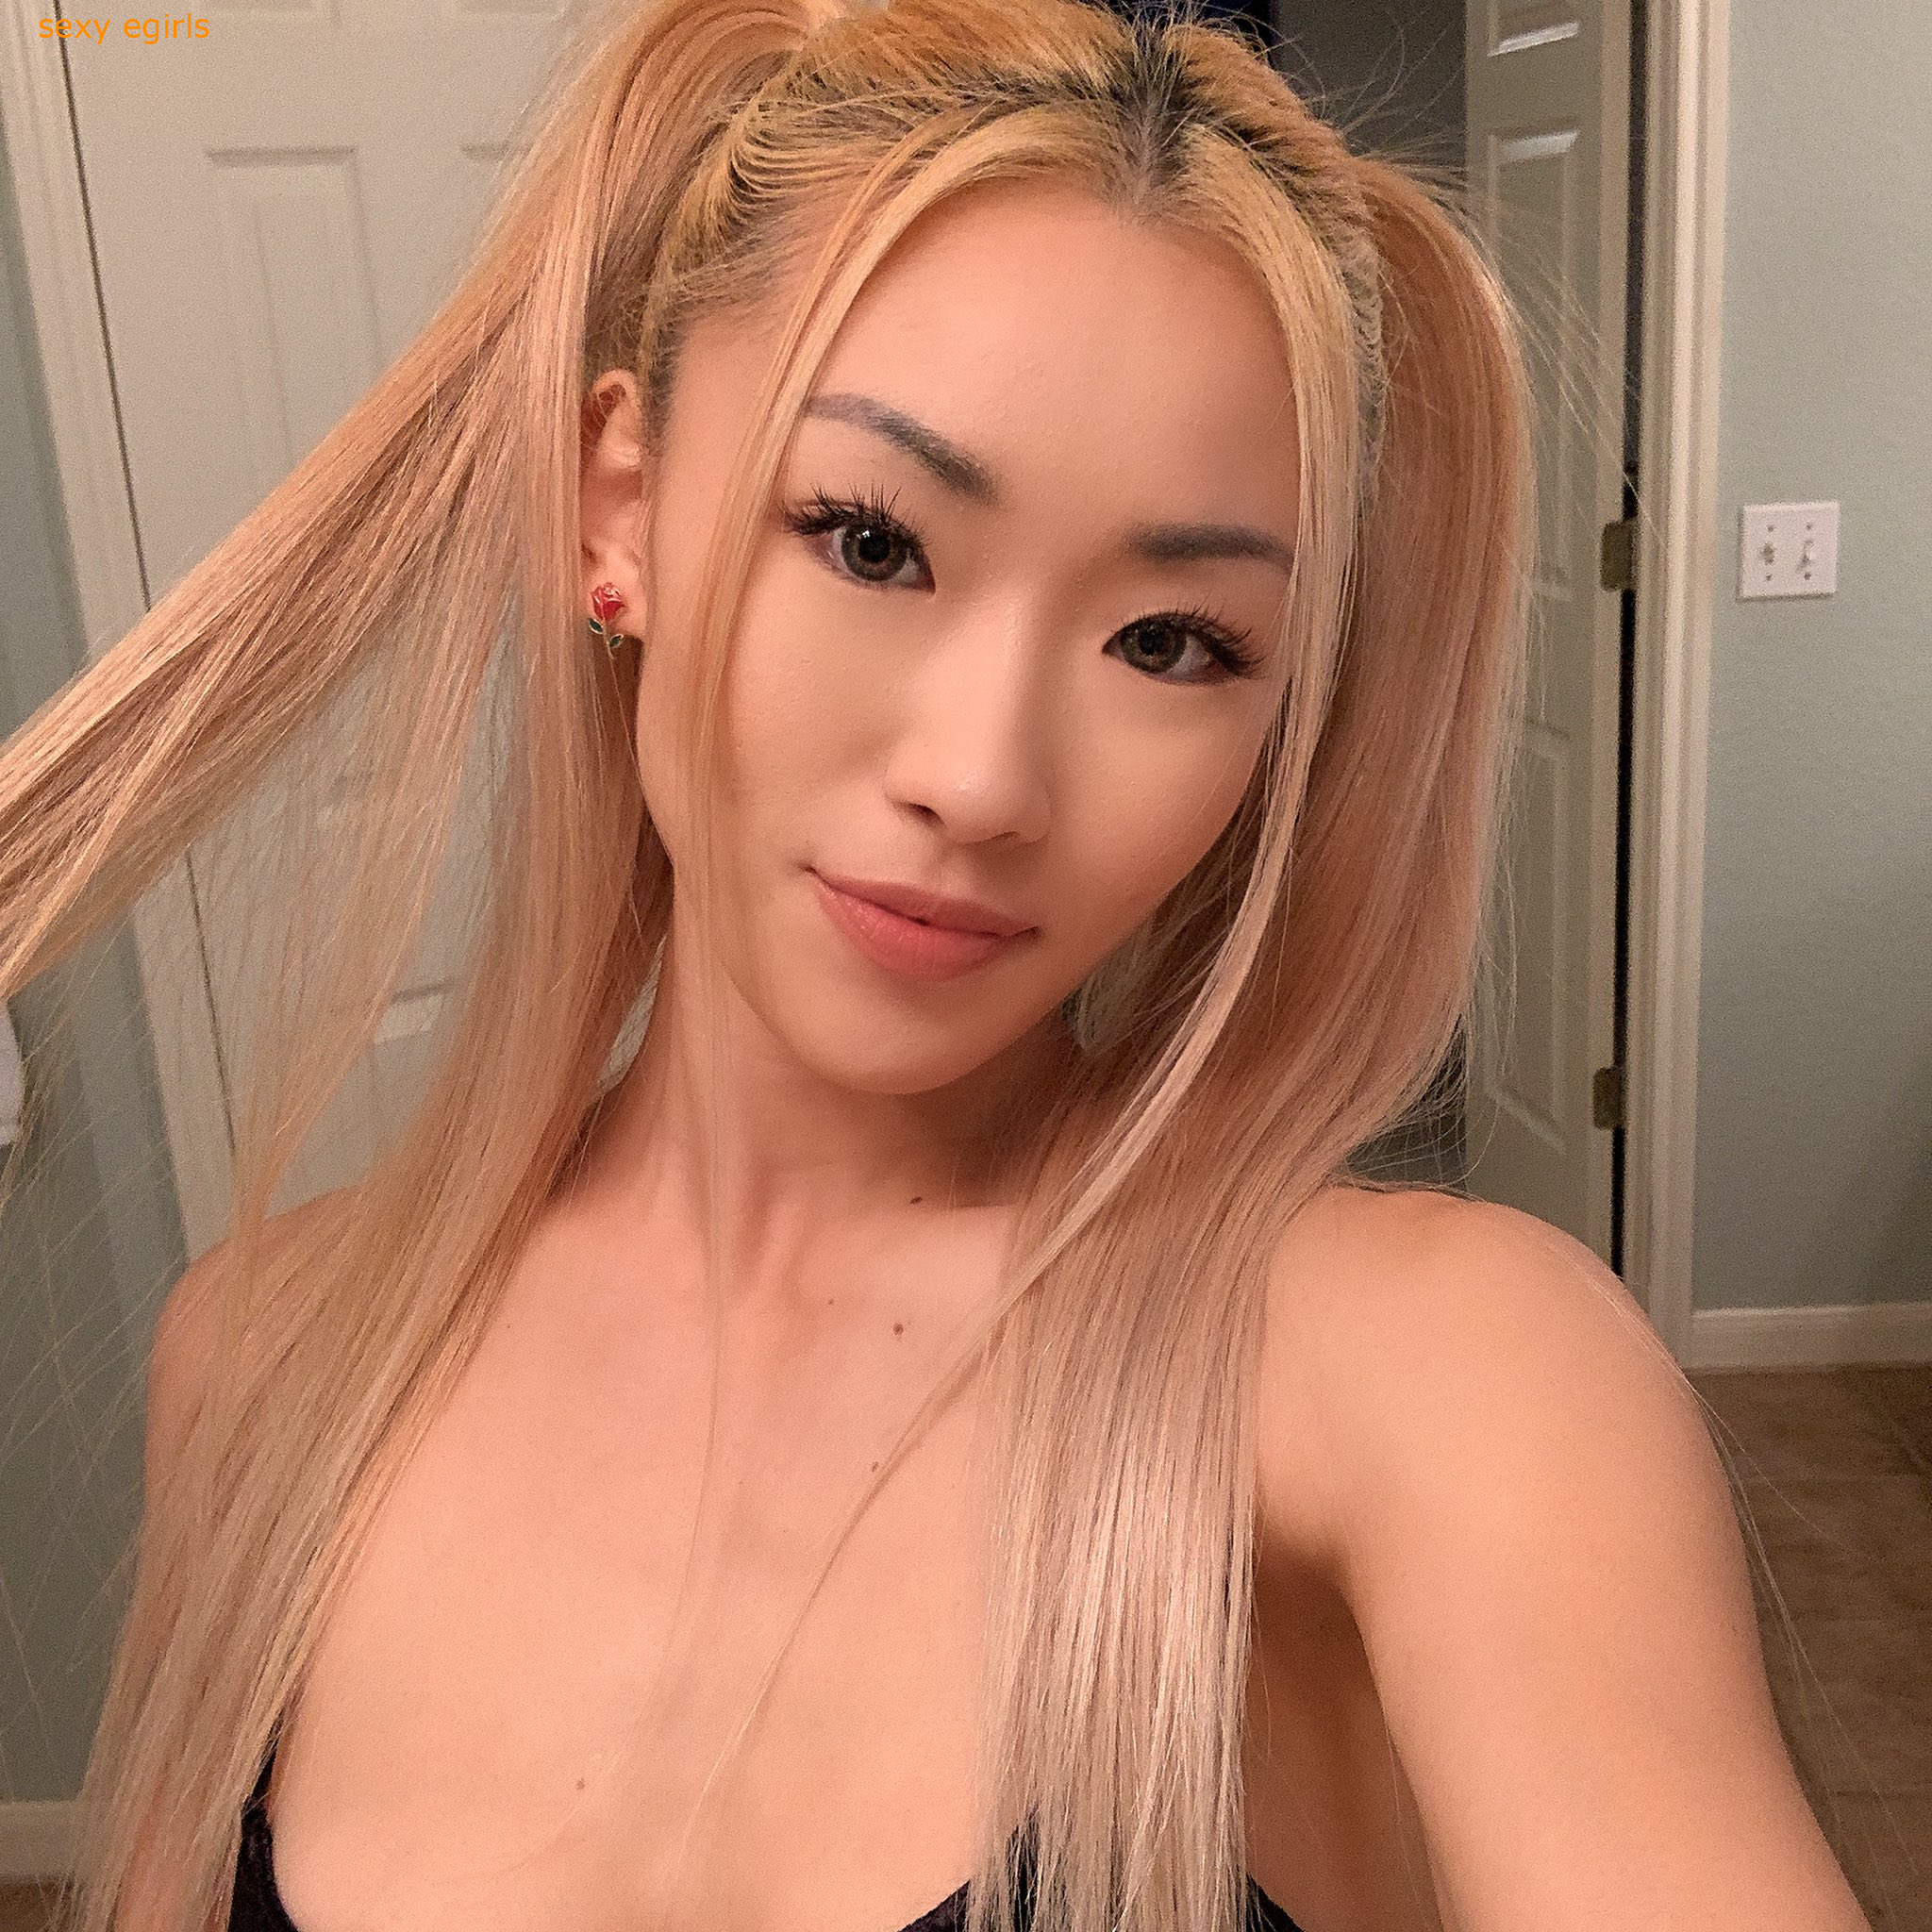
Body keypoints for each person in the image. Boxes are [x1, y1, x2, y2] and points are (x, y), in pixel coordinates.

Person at [0, 0, 1869, 1927]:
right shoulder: (264, 1368)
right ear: (619, 505)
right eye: (870, 540)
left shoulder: (1428, 1380)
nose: (982, 779)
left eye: (1172, 642)